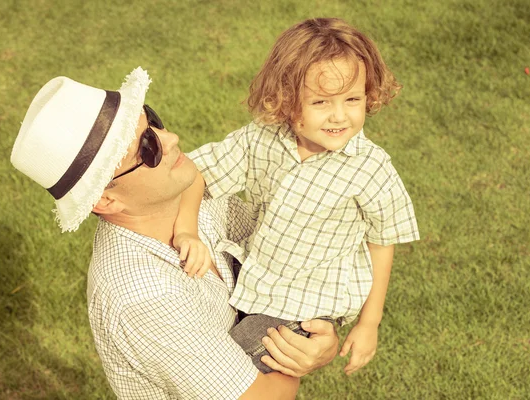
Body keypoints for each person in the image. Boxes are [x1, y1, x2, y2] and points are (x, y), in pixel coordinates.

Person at [10, 67, 339, 399]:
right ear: (105, 199)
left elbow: (295, 256)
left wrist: (318, 338)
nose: (171, 140)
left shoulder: (186, 193)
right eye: (148, 148)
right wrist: (302, 353)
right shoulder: (144, 297)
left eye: (152, 121)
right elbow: (265, 397)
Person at [173, 17, 420, 376]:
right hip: (257, 279)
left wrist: (370, 323)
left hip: (305, 304)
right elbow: (194, 173)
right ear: (287, 100)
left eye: (352, 99)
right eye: (321, 102)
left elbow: (383, 242)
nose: (340, 116)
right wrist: (186, 231)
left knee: (226, 374)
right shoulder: (263, 138)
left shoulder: (370, 169)